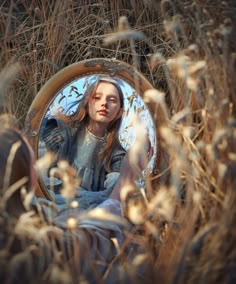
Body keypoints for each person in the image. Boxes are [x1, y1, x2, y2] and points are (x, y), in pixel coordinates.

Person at [42, 76, 127, 210]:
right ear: (87, 102)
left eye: (112, 100)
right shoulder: (59, 130)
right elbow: (39, 176)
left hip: (88, 220)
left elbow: (115, 194)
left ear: (119, 113)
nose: (104, 103)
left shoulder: (117, 154)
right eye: (97, 97)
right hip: (49, 209)